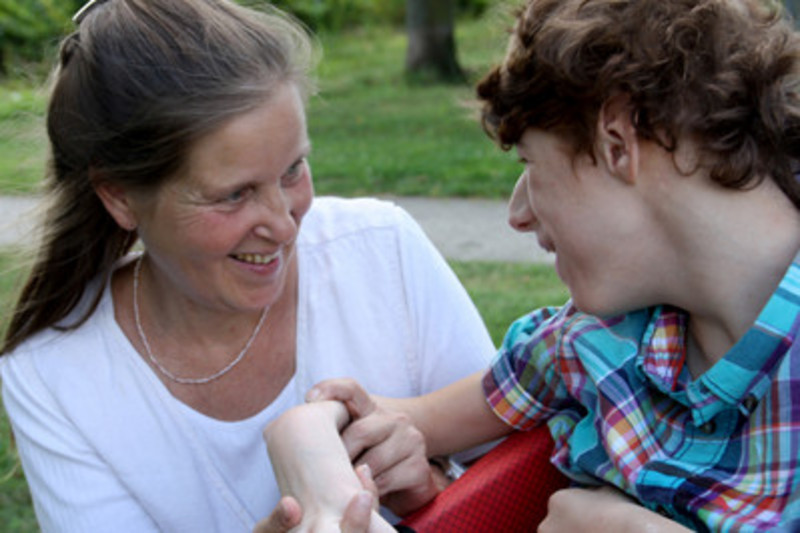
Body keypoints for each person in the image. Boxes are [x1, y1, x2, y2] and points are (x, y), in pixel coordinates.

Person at [265, 0, 800, 530]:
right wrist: (314, 451)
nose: (518, 214)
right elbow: (367, 423)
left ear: (615, 142)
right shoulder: (588, 342)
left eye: (529, 163)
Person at [0, 1, 497, 531]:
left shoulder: (381, 251)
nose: (284, 226)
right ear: (119, 196)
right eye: (234, 195)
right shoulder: (53, 372)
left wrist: (431, 493)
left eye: (292, 170)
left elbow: (533, 474)